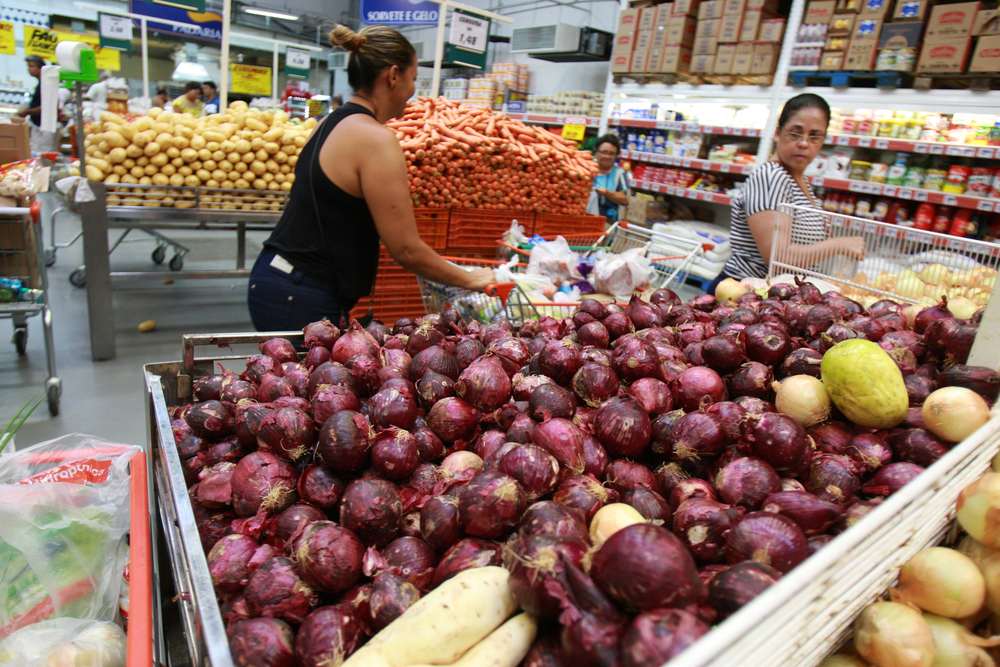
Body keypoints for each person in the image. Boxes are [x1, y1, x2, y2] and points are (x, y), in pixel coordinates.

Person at [247, 24, 494, 331]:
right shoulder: (375, 139)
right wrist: (472, 279)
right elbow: (406, 249)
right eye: (413, 78)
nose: (412, 90)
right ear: (393, 75)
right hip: (301, 293)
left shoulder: (329, 123)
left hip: (278, 278)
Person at [711, 93, 864, 289]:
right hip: (745, 293)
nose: (804, 143)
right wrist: (839, 245)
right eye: (795, 133)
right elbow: (777, 257)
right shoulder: (771, 176)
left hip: (775, 294)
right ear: (777, 133)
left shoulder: (798, 180)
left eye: (814, 136)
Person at [16, 55, 59, 153]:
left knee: (44, 153)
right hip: (39, 125)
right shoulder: (40, 84)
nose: (29, 69)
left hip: (45, 128)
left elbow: (48, 107)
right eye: (28, 66)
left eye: (31, 66)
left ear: (41, 68)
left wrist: (27, 111)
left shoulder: (47, 84)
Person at [590, 134, 630, 224]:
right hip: (584, 221)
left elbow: (625, 199)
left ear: (616, 156)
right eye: (604, 152)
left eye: (611, 153)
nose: (607, 156)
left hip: (608, 224)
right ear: (596, 152)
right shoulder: (586, 169)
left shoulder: (620, 173)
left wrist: (606, 192)